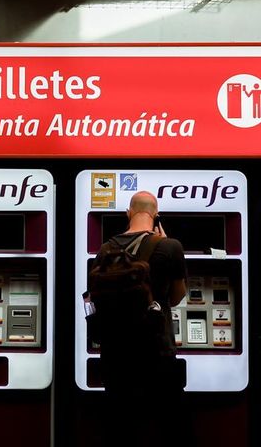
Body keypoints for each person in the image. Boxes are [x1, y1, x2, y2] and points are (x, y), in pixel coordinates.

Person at [95, 190, 189, 447]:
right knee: (168, 429)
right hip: (157, 354)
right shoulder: (170, 247)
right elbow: (177, 297)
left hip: (116, 357)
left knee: (121, 429)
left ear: (129, 213)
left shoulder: (106, 248)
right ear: (156, 215)